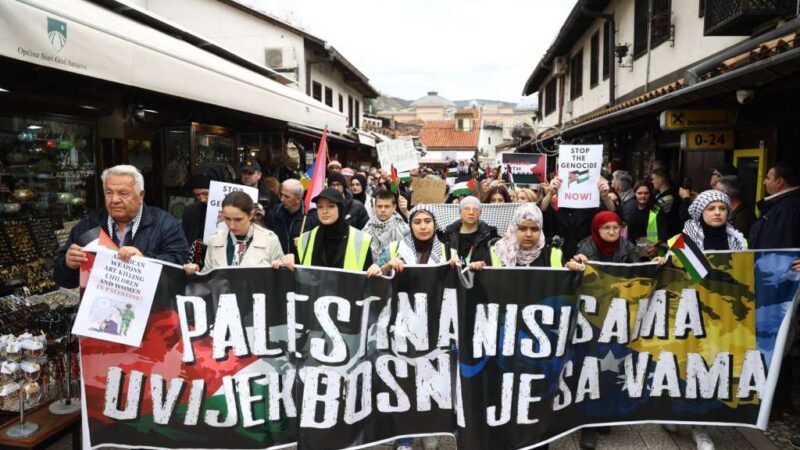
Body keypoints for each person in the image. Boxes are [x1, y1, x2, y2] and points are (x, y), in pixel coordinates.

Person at [54, 165, 188, 288]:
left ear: (141, 195)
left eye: (123, 193)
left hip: (150, 311)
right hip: (101, 308)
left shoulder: (165, 224)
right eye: (109, 193)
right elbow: (62, 280)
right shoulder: (88, 226)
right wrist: (67, 265)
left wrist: (144, 261)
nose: (114, 200)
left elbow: (180, 266)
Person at [275, 188, 375, 272]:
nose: (324, 211)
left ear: (340, 209)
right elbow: (298, 273)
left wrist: (376, 270)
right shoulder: (305, 239)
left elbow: (368, 278)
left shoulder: (361, 240)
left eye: (331, 206)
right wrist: (285, 262)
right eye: (320, 207)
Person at [184, 191, 283, 274]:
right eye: (227, 219)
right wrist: (196, 272)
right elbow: (208, 279)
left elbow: (280, 278)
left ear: (251, 215)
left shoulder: (270, 240)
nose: (231, 225)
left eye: (238, 219)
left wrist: (285, 263)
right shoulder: (215, 239)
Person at [540, 176, 617, 260]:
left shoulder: (591, 208)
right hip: (559, 259)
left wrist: (605, 197)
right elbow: (541, 213)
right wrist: (550, 193)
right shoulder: (554, 209)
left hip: (586, 257)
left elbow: (612, 215)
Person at [488, 204, 583, 269]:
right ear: (514, 229)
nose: (528, 234)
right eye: (522, 228)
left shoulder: (553, 252)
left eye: (534, 229)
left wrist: (576, 270)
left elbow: (564, 288)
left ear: (541, 230)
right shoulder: (497, 251)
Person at [750, 163, 800, 249]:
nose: (764, 182)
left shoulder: (786, 209)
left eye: (768, 178)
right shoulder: (782, 205)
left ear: (779, 182)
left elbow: (778, 245)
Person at [442, 196, 498, 265]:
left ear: (480, 213)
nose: (471, 212)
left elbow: (496, 262)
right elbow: (442, 259)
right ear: (460, 212)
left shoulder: (489, 235)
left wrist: (484, 263)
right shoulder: (449, 234)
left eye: (475, 209)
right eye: (467, 209)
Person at [266, 179, 316, 255]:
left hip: (299, 264)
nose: (282, 199)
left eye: (286, 196)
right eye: (281, 194)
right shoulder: (273, 213)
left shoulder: (310, 217)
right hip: (278, 263)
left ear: (298, 199)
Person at [573, 211, 639, 264]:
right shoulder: (585, 248)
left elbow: (638, 272)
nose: (612, 232)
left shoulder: (627, 246)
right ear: (596, 229)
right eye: (606, 228)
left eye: (616, 228)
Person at [362, 190, 409, 262]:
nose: (383, 210)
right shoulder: (367, 228)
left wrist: (406, 212)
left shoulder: (403, 227)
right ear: (375, 207)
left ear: (394, 208)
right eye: (379, 206)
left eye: (387, 206)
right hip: (372, 270)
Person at [650, 168, 681, 247]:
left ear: (661, 179)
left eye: (653, 179)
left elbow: (655, 217)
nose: (652, 181)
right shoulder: (660, 195)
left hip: (667, 241)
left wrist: (657, 241)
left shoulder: (668, 197)